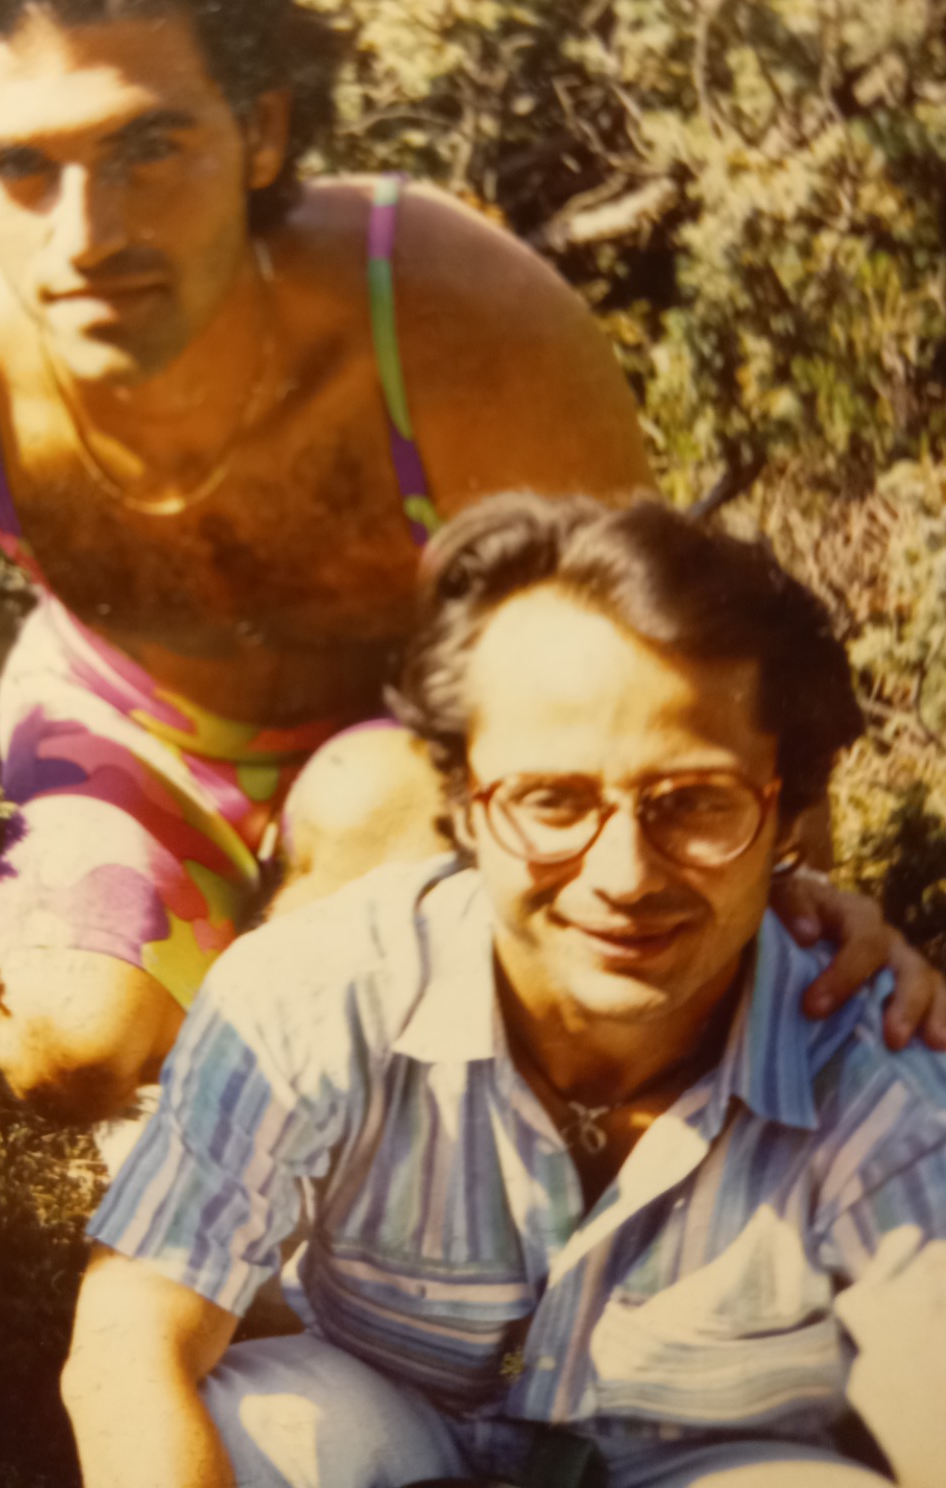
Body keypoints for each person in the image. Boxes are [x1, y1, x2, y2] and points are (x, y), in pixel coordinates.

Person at [0, 0, 943, 1121]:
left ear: (262, 131)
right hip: (128, 721)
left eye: (149, 146)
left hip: (409, 735)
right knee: (65, 1046)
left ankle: (302, 1116)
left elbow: (669, 646)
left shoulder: (453, 318)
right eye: (22, 167)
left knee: (363, 845)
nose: (88, 232)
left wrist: (795, 899)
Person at [64, 493, 946, 1488]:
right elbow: (130, 1347)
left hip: (701, 1463)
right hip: (390, 1414)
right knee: (246, 1428)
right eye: (553, 800)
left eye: (697, 802)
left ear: (789, 816)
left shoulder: (884, 1063)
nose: (623, 875)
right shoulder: (316, 990)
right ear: (463, 803)